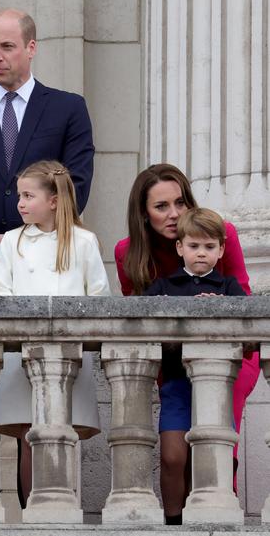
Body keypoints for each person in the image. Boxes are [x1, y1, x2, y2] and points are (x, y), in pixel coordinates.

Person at [114, 164, 257, 525]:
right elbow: (138, 321)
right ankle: (177, 523)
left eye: (179, 202)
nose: (174, 213)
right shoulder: (127, 252)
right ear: (143, 214)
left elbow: (245, 301)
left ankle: (218, 517)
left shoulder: (220, 234)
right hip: (174, 364)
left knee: (219, 443)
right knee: (175, 451)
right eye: (161, 206)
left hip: (231, 360)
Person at [0, 160, 109, 505]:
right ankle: (32, 514)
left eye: (28, 196)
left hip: (70, 357)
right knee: (28, 435)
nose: (20, 203)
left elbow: (99, 299)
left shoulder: (84, 242)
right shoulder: (12, 242)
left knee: (63, 434)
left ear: (53, 200)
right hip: (21, 355)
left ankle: (64, 508)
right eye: (20, 196)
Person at [0, 9, 94, 265]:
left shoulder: (68, 109)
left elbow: (75, 184)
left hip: (46, 259)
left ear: (31, 48)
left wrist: (22, 239)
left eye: (7, 47)